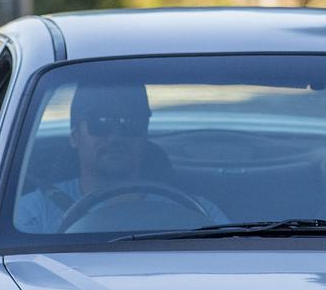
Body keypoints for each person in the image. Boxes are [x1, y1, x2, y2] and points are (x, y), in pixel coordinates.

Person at [16, 83, 226, 233]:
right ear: (74, 136)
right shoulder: (32, 216)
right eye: (101, 122)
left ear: (145, 135)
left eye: (130, 123)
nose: (116, 136)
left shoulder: (202, 216)